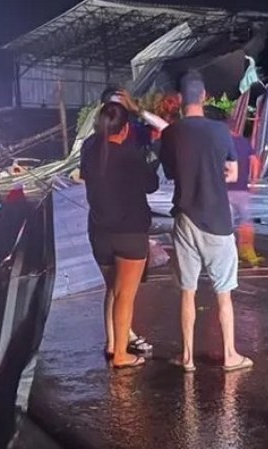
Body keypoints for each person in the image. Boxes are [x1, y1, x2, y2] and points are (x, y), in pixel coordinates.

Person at [160, 70, 253, 373]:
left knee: (188, 292)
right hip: (217, 220)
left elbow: (172, 174)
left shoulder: (171, 133)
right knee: (223, 293)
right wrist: (218, 173)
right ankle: (230, 355)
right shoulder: (220, 131)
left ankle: (186, 358)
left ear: (178, 100)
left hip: (184, 219)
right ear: (204, 97)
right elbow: (234, 174)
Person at [80, 102, 159, 369]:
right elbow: (152, 184)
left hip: (99, 232)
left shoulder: (89, 150)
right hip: (130, 233)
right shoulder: (131, 155)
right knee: (126, 294)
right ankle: (122, 355)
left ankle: (113, 343)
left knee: (112, 289)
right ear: (125, 129)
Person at [204, 106, 263, 267]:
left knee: (225, 224)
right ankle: (247, 252)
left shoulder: (216, 142)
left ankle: (223, 256)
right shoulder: (241, 141)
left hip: (225, 191)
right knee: (245, 221)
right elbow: (255, 160)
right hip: (242, 189)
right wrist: (255, 181)